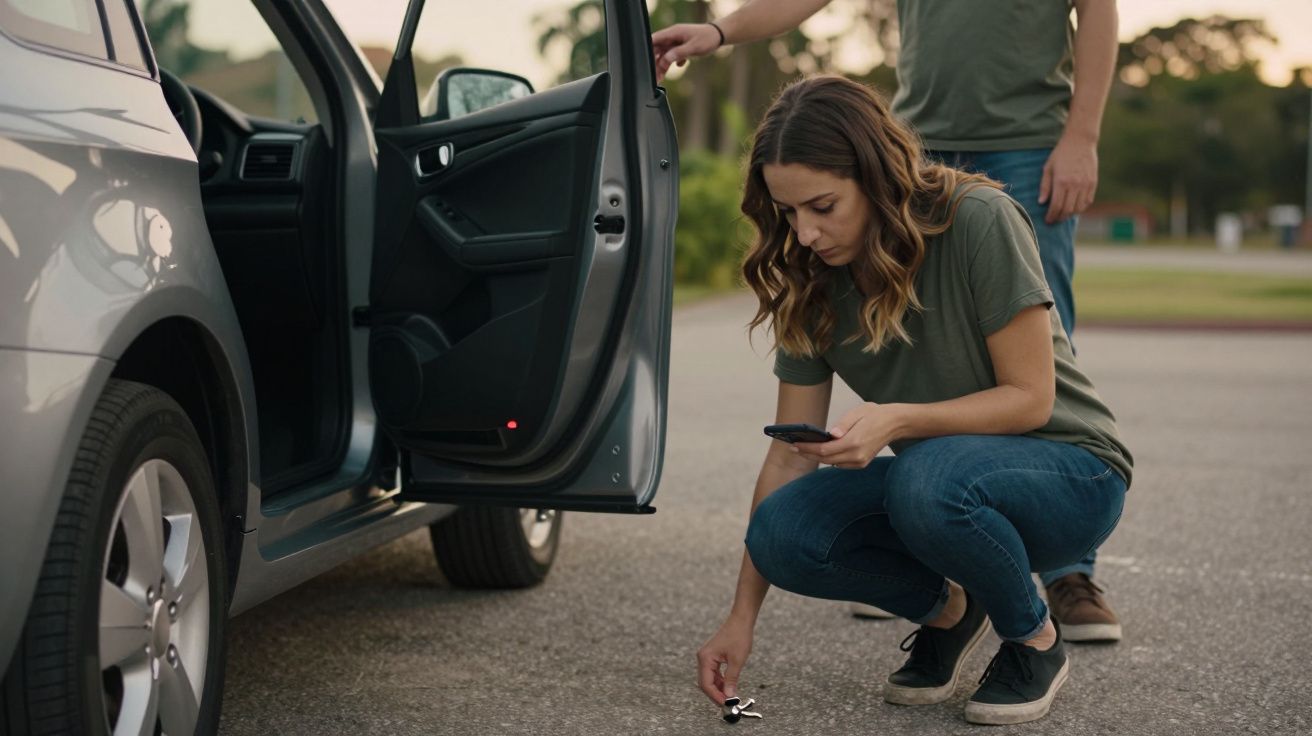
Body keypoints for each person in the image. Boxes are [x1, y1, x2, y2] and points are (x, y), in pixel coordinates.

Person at [653, 0, 1123, 642]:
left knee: (1004, 388)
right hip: (922, 126)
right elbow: (790, 456)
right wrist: (741, 620)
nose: (805, 233)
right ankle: (948, 595)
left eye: (820, 207)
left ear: (865, 178)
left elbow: (1035, 398)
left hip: (1025, 138)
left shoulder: (980, 214)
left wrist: (1083, 136)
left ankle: (1051, 592)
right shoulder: (810, 261)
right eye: (792, 214)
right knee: (799, 523)